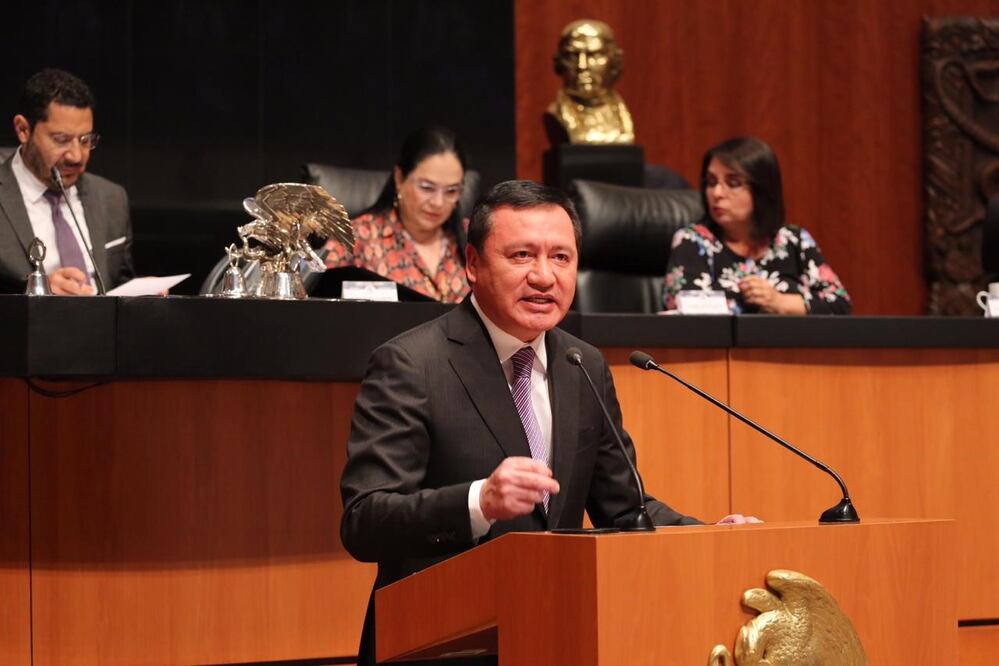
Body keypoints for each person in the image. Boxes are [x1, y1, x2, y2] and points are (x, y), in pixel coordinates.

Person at [340, 180, 758, 666]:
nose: (544, 276)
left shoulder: (583, 364)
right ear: (473, 264)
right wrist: (480, 501)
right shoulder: (411, 364)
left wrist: (709, 535)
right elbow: (364, 522)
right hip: (434, 646)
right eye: (521, 255)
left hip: (552, 635)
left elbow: (626, 511)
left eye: (561, 258)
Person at [663, 136, 851, 314]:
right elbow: (685, 314)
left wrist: (778, 302)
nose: (717, 193)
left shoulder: (794, 241)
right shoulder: (694, 241)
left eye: (733, 182)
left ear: (762, 189)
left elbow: (840, 305)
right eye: (711, 182)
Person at [0, 68, 133, 294]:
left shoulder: (111, 198)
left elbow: (119, 283)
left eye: (85, 140)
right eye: (61, 140)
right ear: (23, 130)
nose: (76, 156)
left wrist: (144, 298)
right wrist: (37, 288)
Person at [323, 127, 470, 303]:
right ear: (400, 178)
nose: (438, 202)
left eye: (451, 191)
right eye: (427, 188)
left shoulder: (475, 237)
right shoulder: (356, 237)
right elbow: (322, 309)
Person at [544, 19, 635, 145]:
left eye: (594, 55)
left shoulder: (623, 114)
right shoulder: (555, 114)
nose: (582, 66)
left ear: (614, 62)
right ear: (559, 63)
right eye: (572, 56)